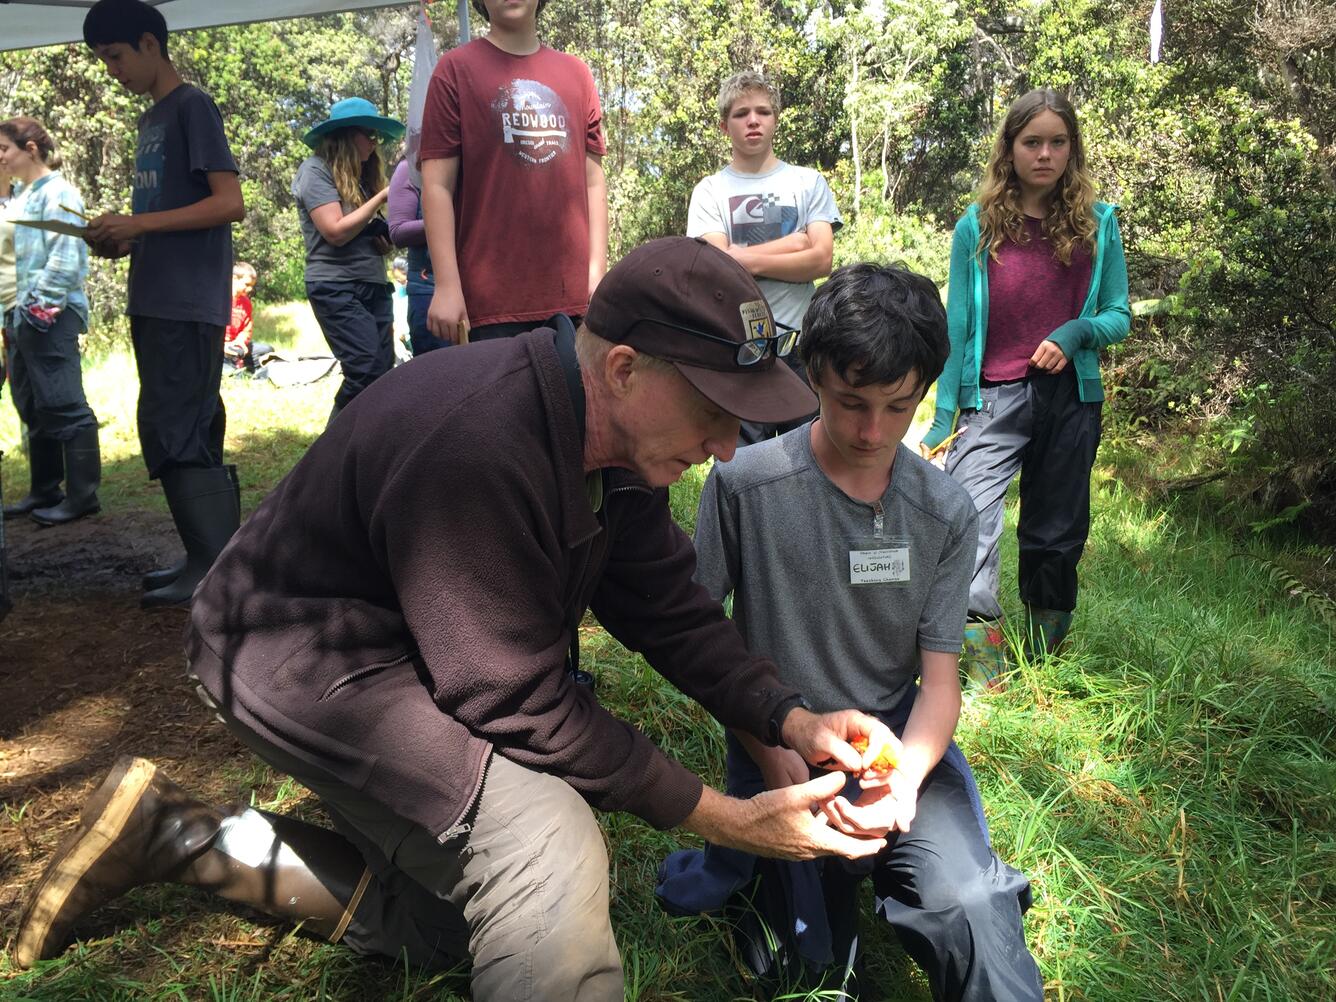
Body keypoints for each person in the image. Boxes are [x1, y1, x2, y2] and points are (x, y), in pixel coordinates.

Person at [14, 238, 905, 1000]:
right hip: (299, 657)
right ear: (627, 370)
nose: (722, 449)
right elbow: (516, 698)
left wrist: (792, 716)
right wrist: (720, 816)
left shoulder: (614, 438)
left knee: (462, 929)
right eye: (715, 414)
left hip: (413, 645)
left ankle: (179, 836)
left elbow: (669, 607)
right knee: (545, 853)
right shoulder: (483, 442)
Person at [655, 263, 1044, 1001]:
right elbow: (700, 644)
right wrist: (776, 763)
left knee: (970, 903)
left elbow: (939, 683)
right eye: (850, 402)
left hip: (895, 745)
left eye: (898, 407)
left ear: (926, 391)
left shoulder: (947, 510)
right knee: (805, 968)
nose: (873, 431)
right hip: (773, 736)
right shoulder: (743, 485)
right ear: (812, 377)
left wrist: (901, 786)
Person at [918, 89, 1131, 682]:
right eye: (1031, 141)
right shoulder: (977, 227)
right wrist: (944, 415)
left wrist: (1074, 332)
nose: (1045, 154)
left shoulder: (1100, 225)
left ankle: (1044, 663)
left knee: (1056, 531)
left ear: (1072, 149)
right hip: (992, 398)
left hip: (1070, 400)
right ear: (1009, 149)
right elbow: (957, 325)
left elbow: (1119, 314)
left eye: (1057, 142)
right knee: (970, 522)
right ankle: (985, 672)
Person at [81, 0, 246, 607]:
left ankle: (213, 567)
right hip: (154, 295)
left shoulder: (191, 106)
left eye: (117, 56)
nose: (112, 70)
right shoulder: (152, 120)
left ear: (151, 44)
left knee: (180, 426)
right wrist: (123, 237)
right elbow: (164, 217)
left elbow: (230, 203)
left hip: (187, 302)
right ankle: (207, 557)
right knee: (174, 423)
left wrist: (141, 225)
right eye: (103, 61)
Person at [419, 0, 608, 345]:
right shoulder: (454, 71)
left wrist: (597, 271)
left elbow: (594, 181)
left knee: (575, 399)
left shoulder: (577, 74)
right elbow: (437, 187)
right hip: (488, 305)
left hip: (575, 301)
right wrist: (447, 285)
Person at [687, 69, 841, 445]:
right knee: (740, 462)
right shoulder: (710, 191)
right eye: (741, 114)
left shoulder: (808, 183)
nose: (752, 121)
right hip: (737, 346)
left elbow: (821, 260)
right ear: (725, 126)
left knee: (806, 456)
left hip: (801, 347)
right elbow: (717, 269)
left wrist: (744, 258)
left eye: (762, 111)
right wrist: (793, 244)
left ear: (776, 120)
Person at [0, 117, 101, 526]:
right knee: (31, 405)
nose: (0, 159)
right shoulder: (22, 197)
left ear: (31, 149)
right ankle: (45, 489)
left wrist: (35, 313)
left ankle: (83, 497)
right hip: (16, 315)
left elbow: (67, 259)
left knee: (64, 404)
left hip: (47, 317)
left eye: (3, 150)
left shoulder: (58, 192)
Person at [291, 97, 404, 424]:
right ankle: (331, 453)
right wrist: (382, 198)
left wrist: (383, 243)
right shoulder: (314, 170)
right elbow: (335, 232)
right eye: (368, 134)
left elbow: (360, 231)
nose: (374, 142)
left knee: (382, 372)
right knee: (365, 367)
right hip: (335, 286)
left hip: (372, 284)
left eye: (376, 136)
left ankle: (365, 451)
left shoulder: (362, 177)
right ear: (344, 135)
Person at [386, 158, 440, 355]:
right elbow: (399, 231)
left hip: (484, 291)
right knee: (438, 374)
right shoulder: (410, 169)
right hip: (430, 290)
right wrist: (449, 217)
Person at [222, 261, 269, 374]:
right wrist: (224, 345)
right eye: (246, 285)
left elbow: (246, 329)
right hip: (219, 345)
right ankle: (230, 366)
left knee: (266, 350)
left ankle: (239, 364)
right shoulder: (221, 298)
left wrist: (240, 342)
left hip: (237, 346)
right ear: (234, 279)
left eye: (252, 286)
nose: (249, 289)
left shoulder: (246, 303)